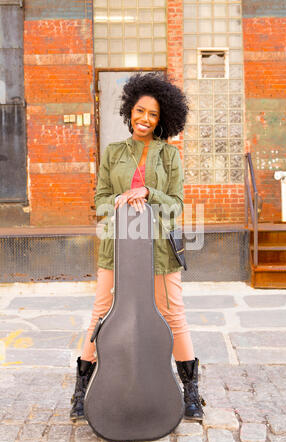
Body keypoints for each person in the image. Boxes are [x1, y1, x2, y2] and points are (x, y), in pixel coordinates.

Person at [70, 72, 205, 423]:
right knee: (101, 310)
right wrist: (119, 199)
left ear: (163, 119)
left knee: (173, 311)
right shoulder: (113, 153)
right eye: (140, 111)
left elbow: (176, 204)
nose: (145, 119)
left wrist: (147, 193)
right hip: (117, 245)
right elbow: (99, 200)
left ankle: (191, 390)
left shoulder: (169, 156)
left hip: (159, 247)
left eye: (154, 114)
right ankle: (81, 390)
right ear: (130, 111)